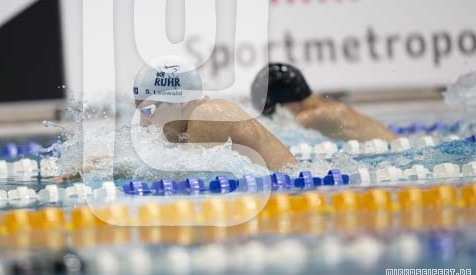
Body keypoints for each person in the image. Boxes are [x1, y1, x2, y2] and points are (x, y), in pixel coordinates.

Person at [134, 56, 296, 171]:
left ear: (181, 102)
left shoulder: (206, 115)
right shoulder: (190, 125)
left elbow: (189, 180)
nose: (143, 122)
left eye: (148, 110)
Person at [251, 63, 396, 142]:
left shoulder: (317, 116)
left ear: (287, 103)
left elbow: (277, 132)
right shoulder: (327, 107)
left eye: (276, 112)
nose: (278, 116)